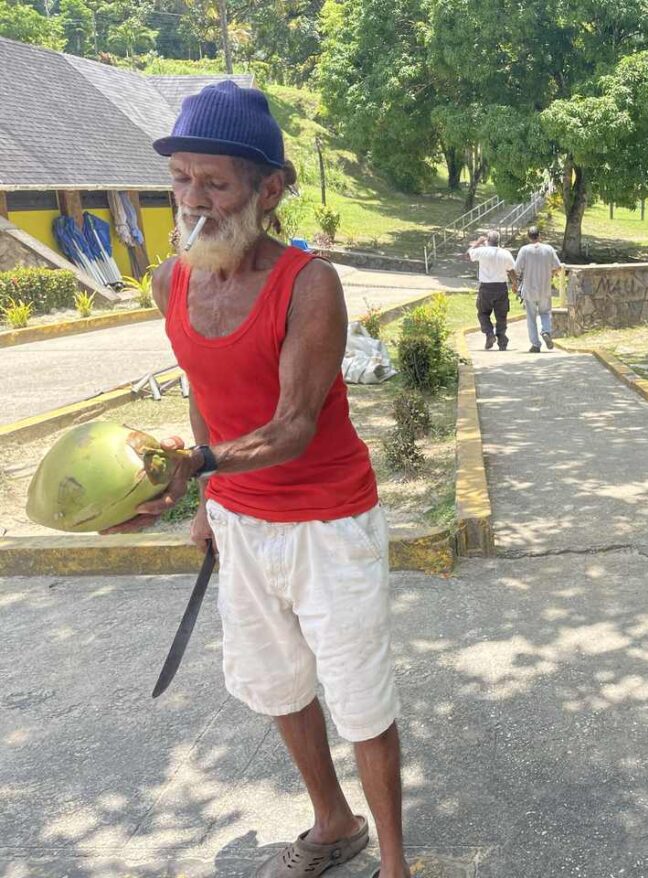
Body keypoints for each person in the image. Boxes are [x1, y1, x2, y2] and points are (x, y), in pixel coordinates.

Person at [104, 81, 408, 878]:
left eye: (215, 182)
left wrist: (195, 469)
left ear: (268, 190)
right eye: (180, 179)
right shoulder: (174, 280)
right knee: (280, 686)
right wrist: (207, 498)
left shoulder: (310, 284)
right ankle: (333, 822)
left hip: (328, 520)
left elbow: (292, 426)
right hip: (241, 521)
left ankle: (396, 866)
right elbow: (204, 396)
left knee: (362, 700)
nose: (193, 199)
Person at [512, 226, 563, 353]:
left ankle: (535, 344)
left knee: (531, 317)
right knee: (545, 313)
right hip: (545, 288)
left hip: (529, 289)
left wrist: (515, 284)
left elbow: (516, 269)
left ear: (528, 237)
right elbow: (558, 267)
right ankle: (546, 331)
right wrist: (551, 273)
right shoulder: (548, 249)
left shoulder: (524, 250)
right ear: (539, 236)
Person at [467, 230, 515, 350]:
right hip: (501, 287)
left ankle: (489, 334)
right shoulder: (506, 253)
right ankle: (502, 339)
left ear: (488, 240)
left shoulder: (482, 251)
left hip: (486, 287)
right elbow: (511, 270)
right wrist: (515, 284)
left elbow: (468, 255)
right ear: (499, 241)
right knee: (501, 315)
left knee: (482, 313)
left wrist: (478, 242)